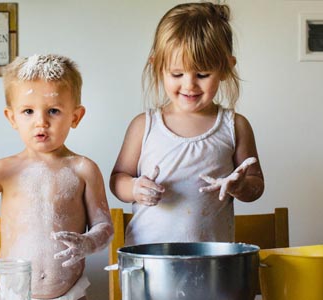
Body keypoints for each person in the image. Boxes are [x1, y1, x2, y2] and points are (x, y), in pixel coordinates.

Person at [0, 54, 113, 300]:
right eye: (28, 111)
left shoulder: (84, 169)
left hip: (70, 295)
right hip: (12, 294)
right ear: (12, 118)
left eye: (53, 111)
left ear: (75, 117)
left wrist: (88, 242)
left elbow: (104, 227)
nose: (40, 122)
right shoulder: (4, 170)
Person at [110, 2, 265, 246]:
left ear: (226, 68)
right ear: (158, 67)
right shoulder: (144, 125)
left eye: (202, 74)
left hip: (212, 262)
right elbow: (118, 178)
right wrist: (134, 188)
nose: (189, 85)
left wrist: (240, 186)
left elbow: (256, 185)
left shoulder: (235, 126)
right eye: (177, 74)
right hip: (150, 259)